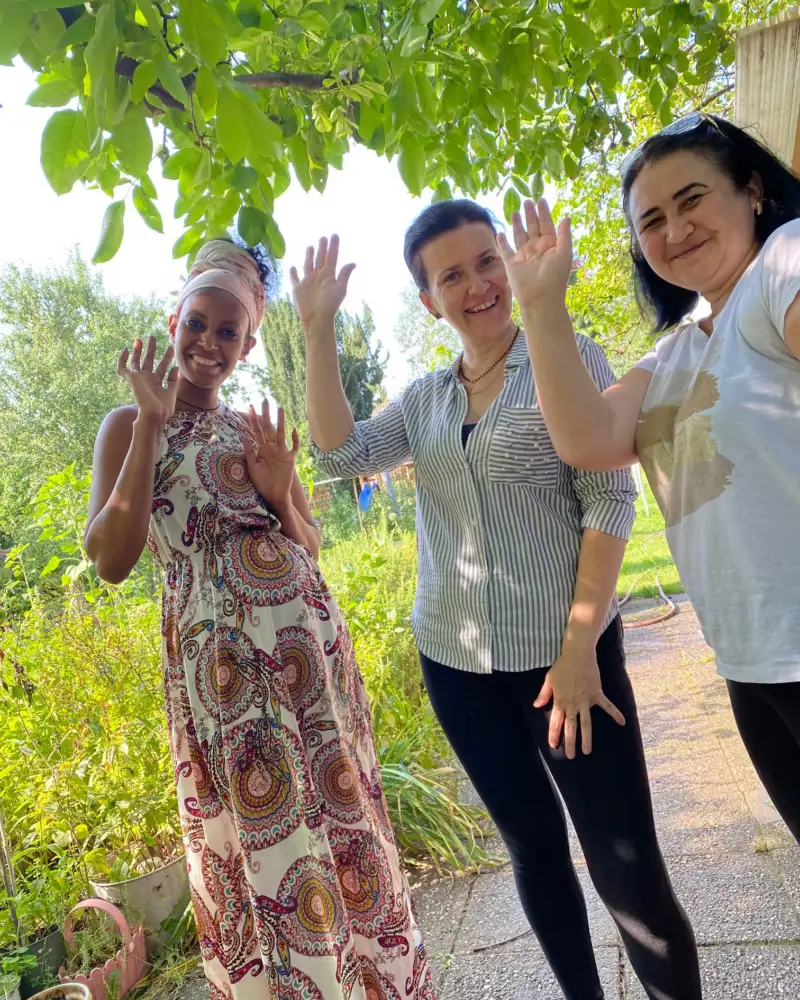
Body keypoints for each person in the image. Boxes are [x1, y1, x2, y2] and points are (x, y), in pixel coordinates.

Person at [296, 211, 701, 1000]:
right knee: (534, 851)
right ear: (428, 301)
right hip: (458, 667)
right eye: (452, 275)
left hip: (567, 668)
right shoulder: (424, 399)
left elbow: (608, 501)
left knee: (628, 871)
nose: (478, 284)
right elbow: (340, 452)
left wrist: (582, 646)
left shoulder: (564, 356)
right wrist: (317, 328)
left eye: (488, 262)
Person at [84, 238, 435, 1000]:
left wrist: (280, 491)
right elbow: (112, 560)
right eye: (198, 325)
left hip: (308, 652)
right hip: (222, 670)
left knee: (339, 812)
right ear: (174, 321)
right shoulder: (125, 424)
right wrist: (150, 424)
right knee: (264, 833)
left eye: (228, 332)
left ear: (247, 345)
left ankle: (373, 979)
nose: (209, 344)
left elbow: (308, 542)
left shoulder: (255, 428)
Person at [498, 112, 800, 842]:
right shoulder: (672, 354)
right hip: (750, 659)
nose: (674, 230)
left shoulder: (783, 263)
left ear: (753, 190)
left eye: (692, 199)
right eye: (652, 220)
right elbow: (588, 438)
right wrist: (540, 306)